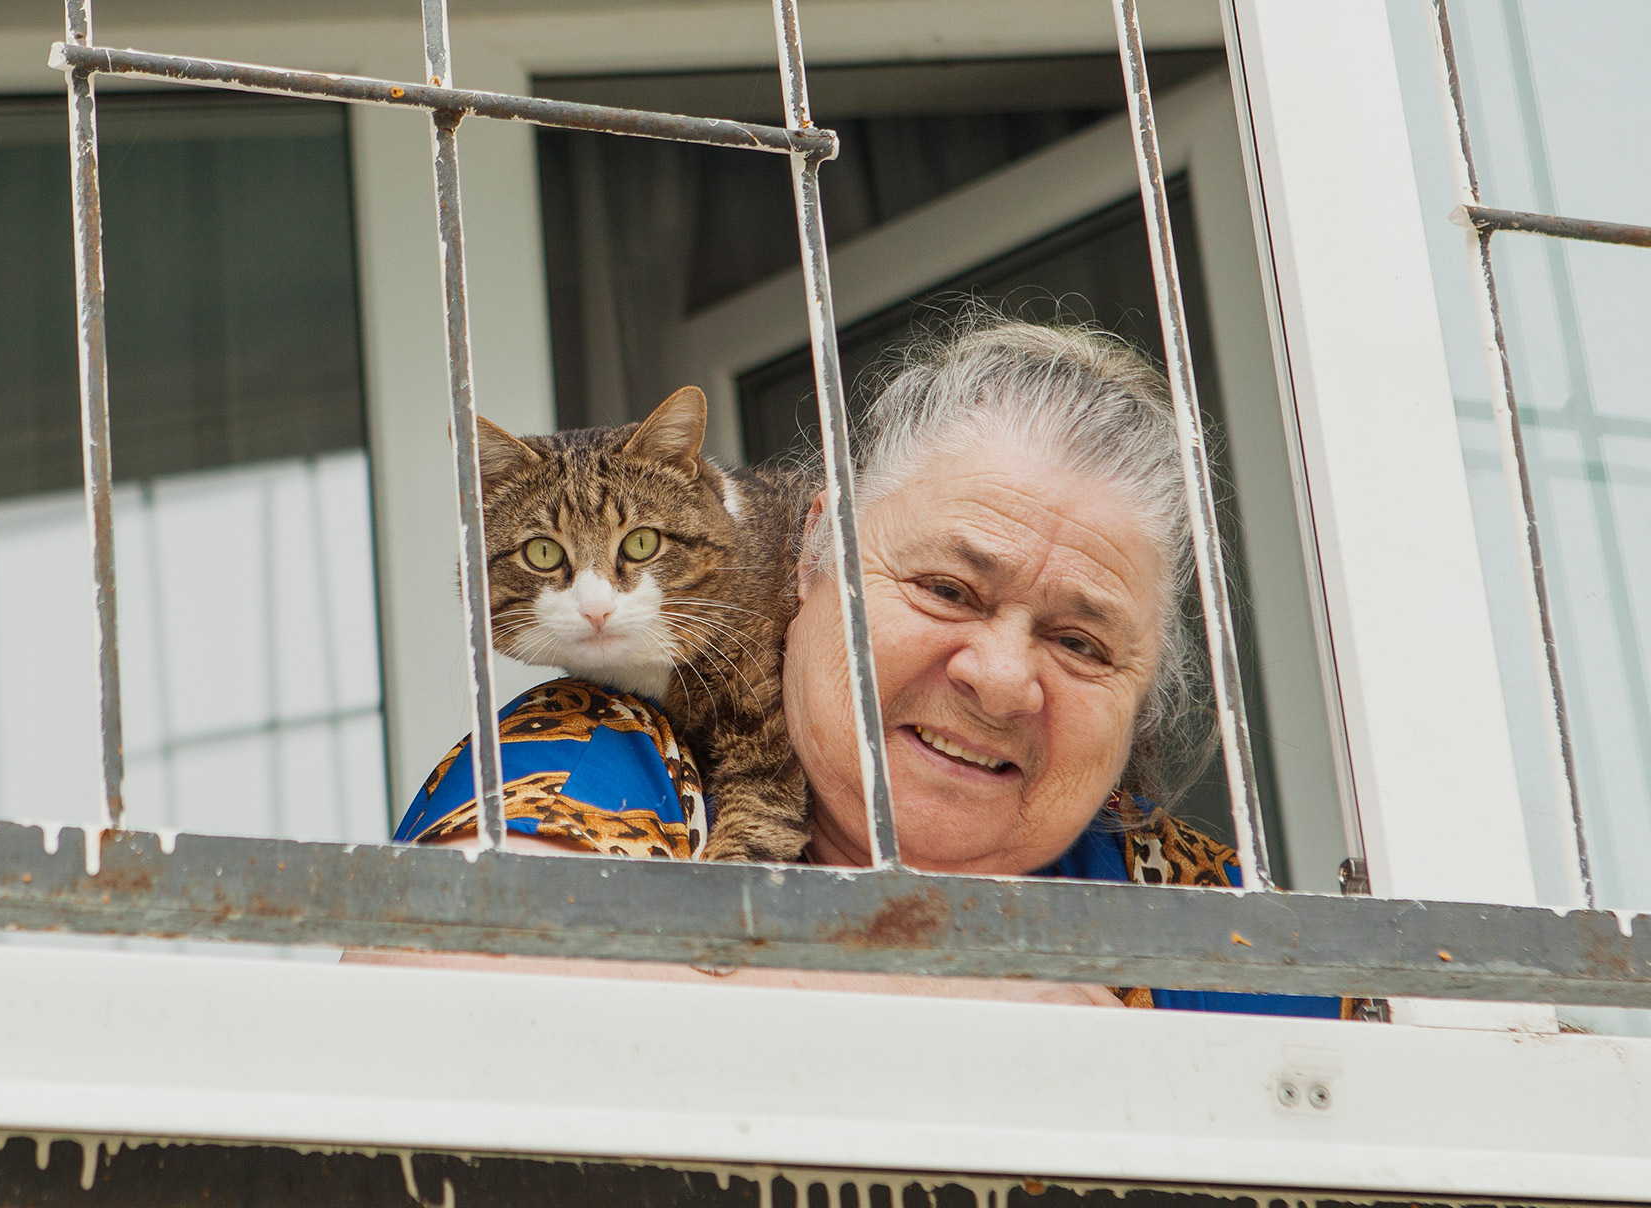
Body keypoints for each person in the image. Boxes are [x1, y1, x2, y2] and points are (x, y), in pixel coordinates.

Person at [386, 314, 1357, 1018]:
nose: (999, 674)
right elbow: (440, 1003)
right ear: (814, 553)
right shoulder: (601, 747)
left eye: (1079, 643)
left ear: (1143, 696)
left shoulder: (1185, 899)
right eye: (946, 588)